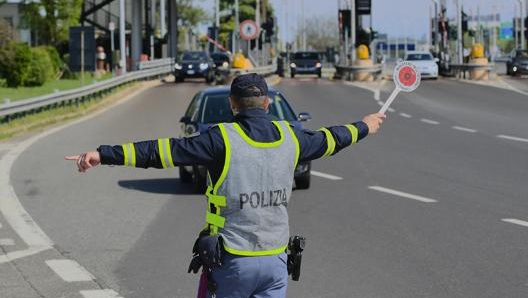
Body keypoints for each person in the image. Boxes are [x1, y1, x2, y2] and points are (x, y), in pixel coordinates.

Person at [65, 73, 386, 298]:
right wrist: (365, 126)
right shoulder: (293, 137)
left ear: (233, 104)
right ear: (267, 104)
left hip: (233, 261)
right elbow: (333, 138)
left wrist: (102, 154)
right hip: (276, 261)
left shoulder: (221, 139)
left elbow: (161, 152)